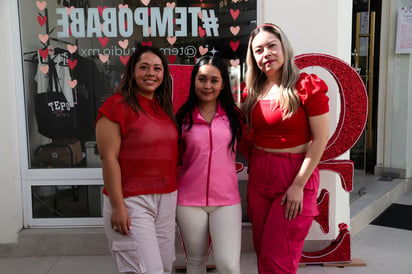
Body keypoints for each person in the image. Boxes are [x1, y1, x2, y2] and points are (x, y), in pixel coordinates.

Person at [242, 23, 330, 274]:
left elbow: (321, 138)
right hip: (259, 178)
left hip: (293, 176)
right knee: (263, 253)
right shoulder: (253, 91)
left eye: (271, 46)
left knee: (277, 259)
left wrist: (298, 185)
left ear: (284, 48)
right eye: (258, 50)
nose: (265, 53)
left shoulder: (307, 85)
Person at [95, 45, 178, 274]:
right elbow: (108, 159)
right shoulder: (115, 106)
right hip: (131, 200)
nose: (151, 73)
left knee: (164, 266)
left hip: (166, 199)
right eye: (144, 67)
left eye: (157, 68)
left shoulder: (163, 109)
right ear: (132, 71)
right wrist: (118, 206)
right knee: (144, 269)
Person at [175, 56, 244, 274]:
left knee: (229, 266)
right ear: (194, 81)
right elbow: (175, 158)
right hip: (188, 201)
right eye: (202, 79)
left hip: (227, 200)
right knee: (195, 262)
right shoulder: (182, 117)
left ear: (223, 83)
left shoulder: (234, 116)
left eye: (214, 80)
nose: (207, 86)